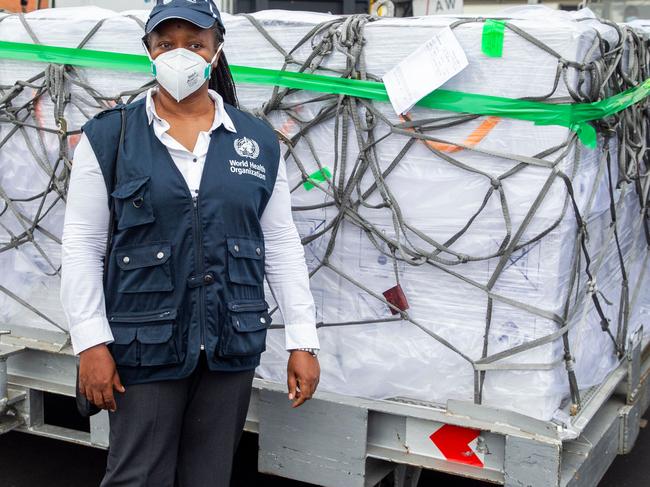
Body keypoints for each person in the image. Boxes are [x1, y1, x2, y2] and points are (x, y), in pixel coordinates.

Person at [59, 1, 321, 485]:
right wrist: (90, 343)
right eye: (166, 44)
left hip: (229, 344)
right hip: (143, 346)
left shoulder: (257, 141)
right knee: (137, 477)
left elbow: (281, 243)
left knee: (209, 476)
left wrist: (303, 340)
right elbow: (82, 244)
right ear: (149, 52)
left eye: (195, 43)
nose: (181, 55)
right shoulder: (109, 136)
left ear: (216, 51)